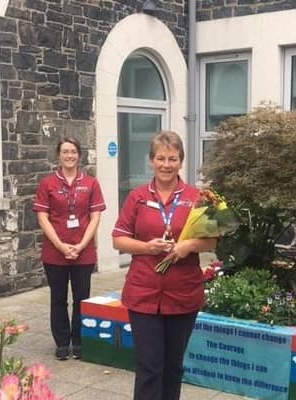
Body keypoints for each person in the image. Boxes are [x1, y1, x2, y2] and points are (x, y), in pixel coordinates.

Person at [112, 130, 216, 400]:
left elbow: (211, 241)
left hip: (183, 293)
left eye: (172, 159)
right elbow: (118, 240)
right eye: (160, 158)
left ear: (181, 161)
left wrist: (187, 246)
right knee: (149, 366)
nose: (166, 165)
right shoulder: (137, 197)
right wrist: (148, 247)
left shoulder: (197, 198)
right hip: (144, 292)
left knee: (173, 366)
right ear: (151, 161)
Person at [34, 137, 106, 360]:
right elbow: (43, 218)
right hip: (55, 253)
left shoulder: (91, 183)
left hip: (84, 253)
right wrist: (61, 246)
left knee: (81, 298)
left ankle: (79, 341)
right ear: (59, 155)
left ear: (79, 155)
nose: (69, 156)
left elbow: (95, 218)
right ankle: (62, 343)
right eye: (65, 152)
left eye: (73, 151)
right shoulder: (48, 184)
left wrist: (81, 245)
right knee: (58, 299)